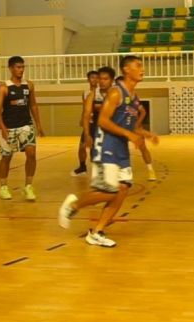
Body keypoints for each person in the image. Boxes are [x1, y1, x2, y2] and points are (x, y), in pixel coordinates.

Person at [58, 56, 158, 247]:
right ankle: (73, 206)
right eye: (138, 65)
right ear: (126, 69)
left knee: (123, 189)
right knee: (109, 191)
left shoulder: (134, 97)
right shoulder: (115, 93)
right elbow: (103, 120)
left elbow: (128, 124)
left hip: (121, 149)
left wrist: (145, 133)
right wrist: (129, 135)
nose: (142, 69)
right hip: (106, 145)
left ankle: (97, 232)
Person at [0, 56, 44, 202]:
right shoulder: (4, 87)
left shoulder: (28, 85)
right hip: (8, 126)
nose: (21, 70)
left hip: (26, 125)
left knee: (31, 154)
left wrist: (38, 124)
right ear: (11, 68)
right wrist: (2, 127)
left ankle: (28, 186)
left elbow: (33, 105)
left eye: (22, 67)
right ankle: (3, 187)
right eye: (18, 67)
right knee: (6, 157)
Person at [71, 70, 99, 176]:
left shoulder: (101, 92)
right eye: (92, 77)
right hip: (89, 123)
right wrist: (82, 118)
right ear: (88, 79)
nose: (94, 79)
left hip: (99, 124)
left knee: (96, 149)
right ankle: (82, 167)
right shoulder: (85, 93)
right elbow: (85, 108)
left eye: (96, 77)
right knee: (82, 147)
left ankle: (100, 170)